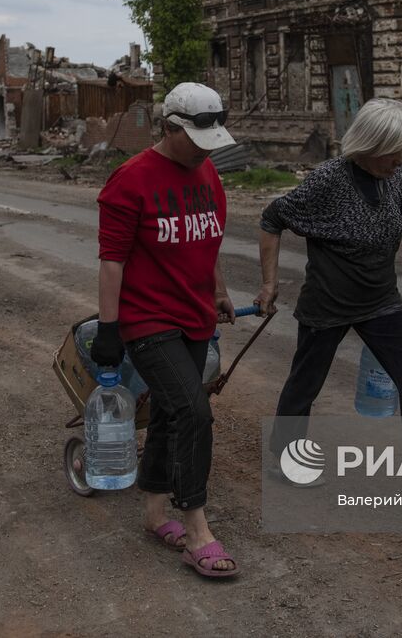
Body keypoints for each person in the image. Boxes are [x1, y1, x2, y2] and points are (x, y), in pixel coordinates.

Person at [256, 98, 402, 496]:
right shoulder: (328, 181)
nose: (400, 161)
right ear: (369, 145)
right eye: (393, 152)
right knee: (305, 384)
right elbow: (271, 218)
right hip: (328, 302)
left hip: (381, 300)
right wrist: (269, 283)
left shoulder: (392, 176)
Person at [93, 81, 240, 579]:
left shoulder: (208, 172)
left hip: (194, 314)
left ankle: (155, 514)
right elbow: (112, 260)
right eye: (195, 140)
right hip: (148, 319)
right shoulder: (130, 179)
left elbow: (208, 237)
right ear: (168, 127)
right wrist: (109, 328)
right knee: (194, 412)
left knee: (167, 414)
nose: (204, 151)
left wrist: (219, 290)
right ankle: (198, 530)